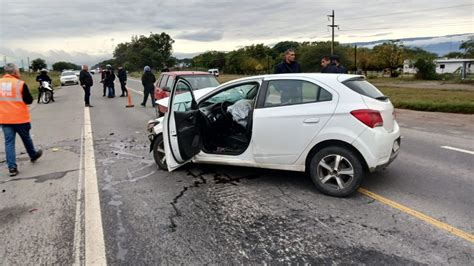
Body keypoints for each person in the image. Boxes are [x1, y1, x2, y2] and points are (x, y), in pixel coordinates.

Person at [0, 63, 43, 176]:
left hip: (5, 119)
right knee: (26, 138)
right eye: (18, 71)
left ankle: (12, 168)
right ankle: (33, 155)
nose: (19, 73)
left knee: (9, 143)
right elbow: (29, 100)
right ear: (14, 72)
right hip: (20, 118)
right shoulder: (20, 84)